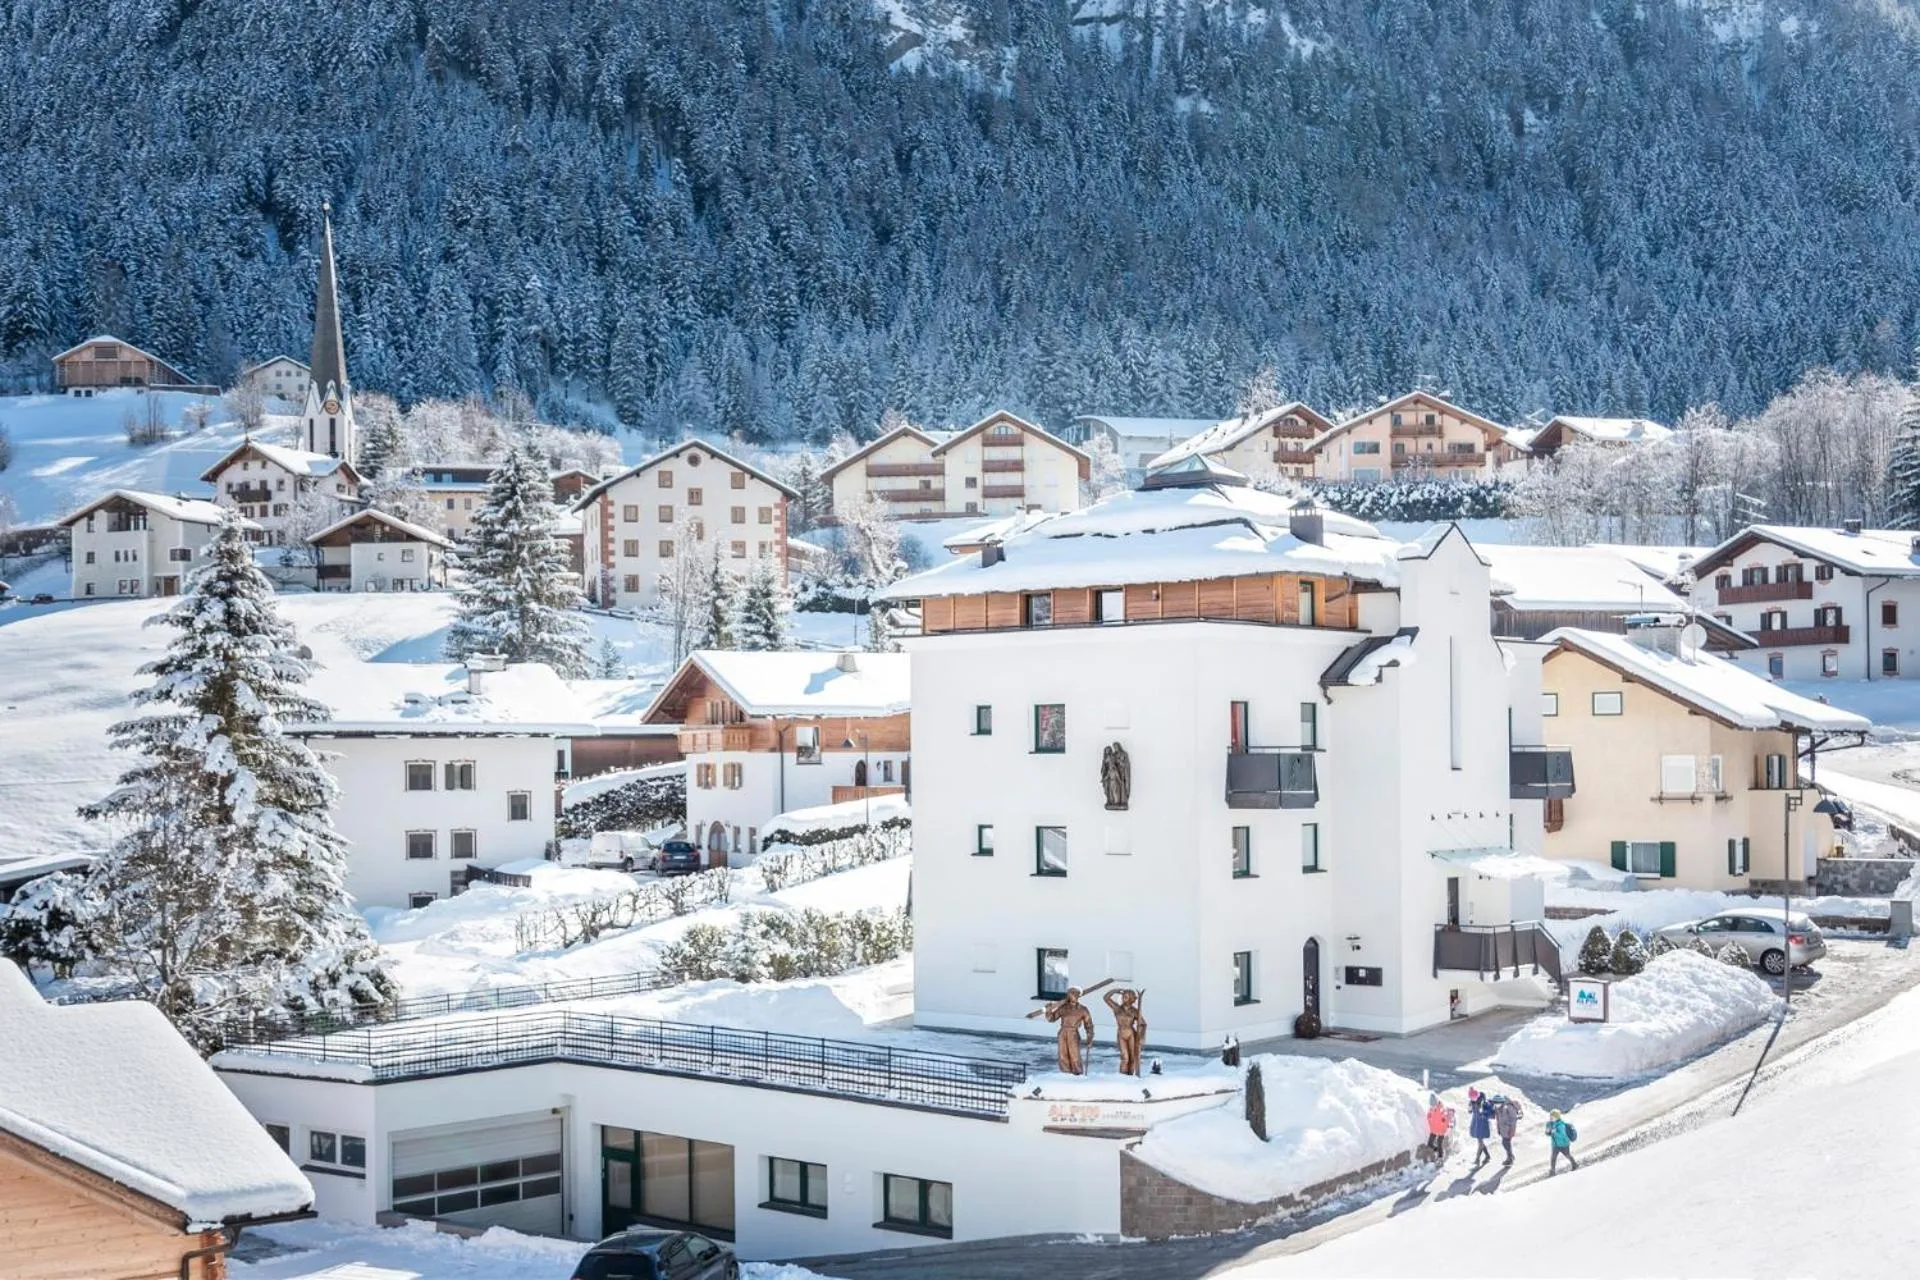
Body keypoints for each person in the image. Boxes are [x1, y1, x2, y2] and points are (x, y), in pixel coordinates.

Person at [1467, 1088, 1495, 1169]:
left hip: (1482, 1124)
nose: (1472, 1099)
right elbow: (1470, 1111)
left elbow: (1491, 1115)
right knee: (1480, 1141)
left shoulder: (1484, 1103)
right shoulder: (1472, 1101)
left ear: (1477, 1096)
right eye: (1471, 1098)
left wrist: (1484, 1113)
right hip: (1476, 1123)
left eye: (1473, 1098)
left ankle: (1477, 1159)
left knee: (1480, 1141)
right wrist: (1469, 1107)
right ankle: (1487, 1156)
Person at [1546, 1109, 1579, 1174]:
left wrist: (1554, 1132)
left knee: (1567, 1155)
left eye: (1552, 1117)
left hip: (1564, 1144)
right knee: (1553, 1158)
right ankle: (1552, 1171)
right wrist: (1548, 1132)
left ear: (1557, 1117)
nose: (1551, 1118)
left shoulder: (1561, 1125)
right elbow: (1549, 1133)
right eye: (1550, 1116)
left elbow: (1562, 1135)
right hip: (1555, 1145)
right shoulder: (1551, 1124)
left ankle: (1574, 1164)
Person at [1493, 1094, 1522, 1166]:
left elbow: (1513, 1119)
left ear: (1501, 1102)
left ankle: (1510, 1159)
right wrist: (1499, 1128)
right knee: (1505, 1143)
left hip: (1509, 1129)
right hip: (1503, 1129)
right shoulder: (1498, 1108)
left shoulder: (1508, 1108)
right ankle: (1510, 1156)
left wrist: (1511, 1130)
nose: (1496, 1105)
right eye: (1495, 1103)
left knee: (1506, 1143)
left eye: (1497, 1103)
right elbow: (1498, 1119)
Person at [1425, 1093, 1451, 1160]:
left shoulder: (1442, 1109)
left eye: (1433, 1105)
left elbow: (1447, 1118)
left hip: (1441, 1130)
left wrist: (1444, 1122)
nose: (1432, 1106)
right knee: (1429, 1144)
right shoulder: (1431, 1109)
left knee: (1439, 1143)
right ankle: (1437, 1150)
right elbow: (1428, 1115)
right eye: (1431, 1105)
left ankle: (1440, 1158)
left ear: (1436, 1103)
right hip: (1433, 1129)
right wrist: (1429, 1118)